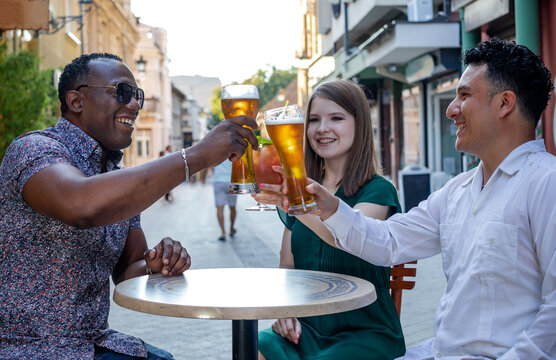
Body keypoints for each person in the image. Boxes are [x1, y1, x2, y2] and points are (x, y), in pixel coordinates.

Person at [304, 39, 556, 359]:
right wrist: (329, 207)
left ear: (505, 103)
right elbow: (388, 241)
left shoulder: (547, 183)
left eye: (464, 95)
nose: (451, 109)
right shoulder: (457, 190)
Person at [0, 53, 258, 359]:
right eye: (122, 92)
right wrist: (198, 155)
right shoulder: (33, 149)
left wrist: (157, 263)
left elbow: (128, 273)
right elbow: (81, 205)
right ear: (76, 101)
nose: (134, 105)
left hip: (94, 345)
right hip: (25, 348)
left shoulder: (117, 181)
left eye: (138, 96)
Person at [253, 79, 406, 360]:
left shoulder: (378, 190)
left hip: (364, 330)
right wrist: (284, 311)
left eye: (336, 118)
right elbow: (287, 266)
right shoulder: (298, 192)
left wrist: (296, 205)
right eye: (313, 120)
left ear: (359, 126)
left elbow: (348, 239)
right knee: (256, 346)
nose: (322, 128)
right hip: (308, 326)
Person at [212, 159, 237, 241]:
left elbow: (211, 166)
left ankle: (223, 232)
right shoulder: (233, 150)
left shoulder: (215, 152)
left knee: (220, 208)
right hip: (232, 181)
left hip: (218, 181)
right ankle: (231, 229)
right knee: (232, 207)